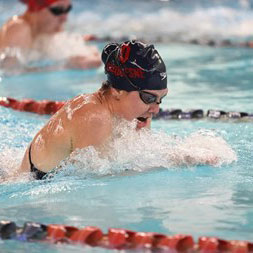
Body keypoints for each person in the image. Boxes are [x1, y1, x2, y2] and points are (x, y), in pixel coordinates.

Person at [17, 40, 168, 179]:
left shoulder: (131, 114)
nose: (155, 109)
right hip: (32, 191)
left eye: (161, 99)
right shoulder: (94, 116)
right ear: (117, 91)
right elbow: (97, 184)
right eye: (149, 98)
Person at [0, 0, 101, 71]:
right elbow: (10, 72)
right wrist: (67, 65)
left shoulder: (47, 30)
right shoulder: (19, 28)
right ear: (36, 8)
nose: (64, 18)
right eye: (57, 10)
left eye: (67, 10)